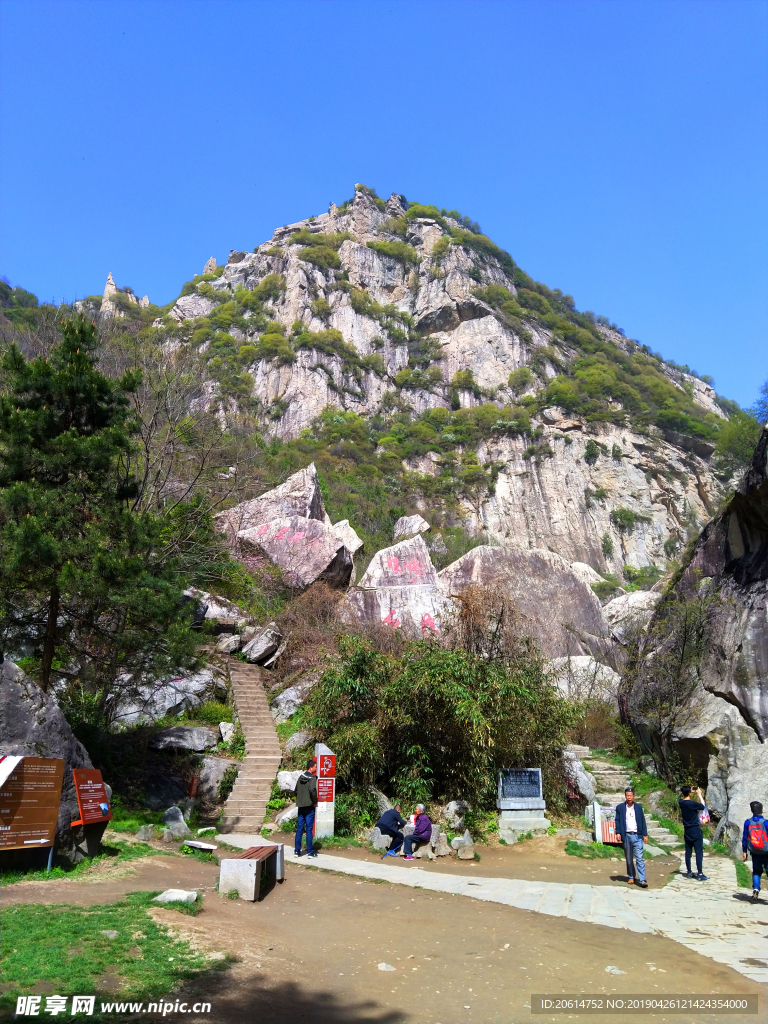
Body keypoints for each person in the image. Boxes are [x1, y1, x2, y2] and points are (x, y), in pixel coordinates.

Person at [615, 788, 649, 888]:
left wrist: (645, 834)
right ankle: (631, 877)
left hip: (637, 836)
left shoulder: (638, 807)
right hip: (626, 836)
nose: (628, 797)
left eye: (630, 795)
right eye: (627, 795)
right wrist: (618, 832)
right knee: (629, 858)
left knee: (639, 858)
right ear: (625, 796)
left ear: (633, 796)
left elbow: (642, 821)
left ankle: (642, 880)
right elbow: (617, 820)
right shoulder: (620, 807)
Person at [678, 785, 709, 881]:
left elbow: (684, 798)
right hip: (695, 830)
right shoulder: (692, 804)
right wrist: (699, 794)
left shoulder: (681, 803)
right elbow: (702, 806)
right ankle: (700, 873)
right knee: (698, 852)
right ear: (690, 793)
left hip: (687, 831)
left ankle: (689, 872)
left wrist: (689, 791)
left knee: (688, 852)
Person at [742, 800, 768, 903]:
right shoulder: (766, 823)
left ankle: (756, 889)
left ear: (752, 811)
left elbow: (744, 838)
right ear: (762, 810)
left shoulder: (748, 822)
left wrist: (744, 852)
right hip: (766, 852)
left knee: (756, 872)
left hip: (755, 852)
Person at [294, 758, 318, 858]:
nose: (316, 769)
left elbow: (296, 790)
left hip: (301, 806)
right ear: (311, 768)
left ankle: (297, 851)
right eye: (315, 767)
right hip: (309, 806)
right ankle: (310, 852)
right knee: (308, 829)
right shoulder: (312, 778)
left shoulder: (300, 777)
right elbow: (312, 790)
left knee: (299, 828)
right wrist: (315, 802)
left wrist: (300, 800)